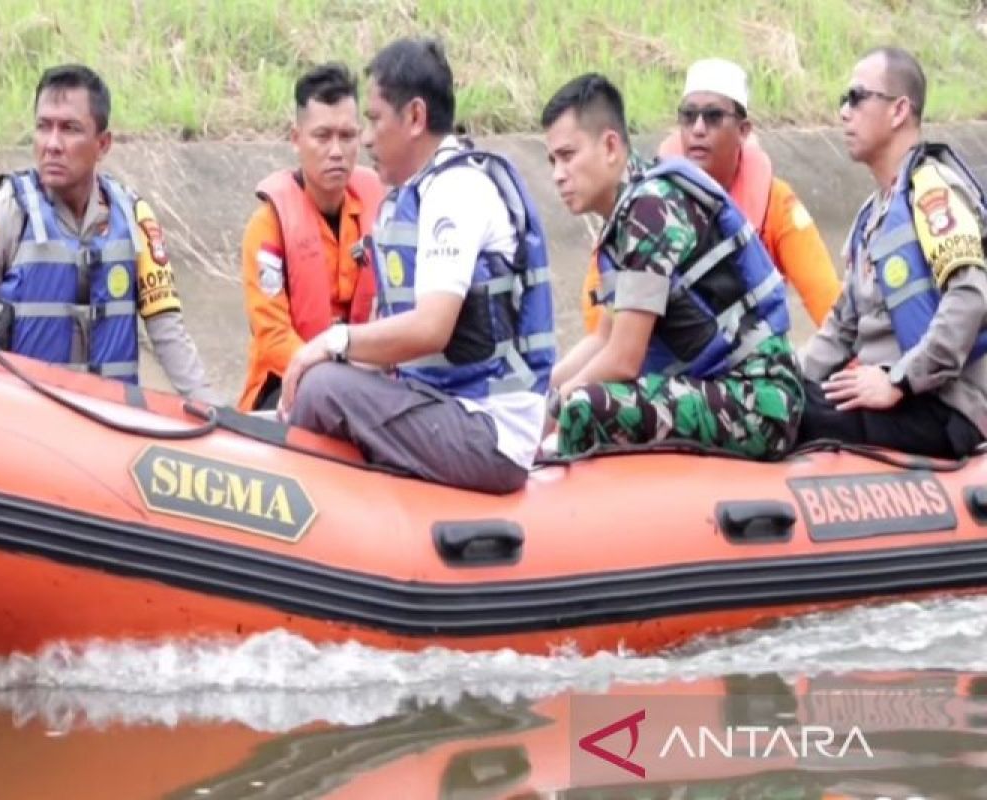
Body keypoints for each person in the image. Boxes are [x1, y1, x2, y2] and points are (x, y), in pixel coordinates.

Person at [278, 38, 556, 494]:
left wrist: (332, 342)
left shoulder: (457, 191)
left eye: (372, 120)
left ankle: (305, 525)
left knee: (323, 388)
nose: (365, 138)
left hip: (488, 431)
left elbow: (431, 329)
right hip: (444, 404)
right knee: (319, 382)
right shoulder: (411, 196)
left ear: (414, 118)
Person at [542, 73, 803, 459]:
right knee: (570, 397)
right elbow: (603, 339)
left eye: (567, 156)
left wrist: (550, 412)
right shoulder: (630, 212)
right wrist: (538, 392)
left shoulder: (651, 211)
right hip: (718, 389)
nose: (557, 174)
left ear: (611, 146)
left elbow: (624, 360)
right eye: (551, 161)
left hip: (758, 404)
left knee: (586, 405)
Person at [0, 64, 218, 403]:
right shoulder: (6, 214)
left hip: (108, 420)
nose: (52, 144)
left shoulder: (134, 218)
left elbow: (167, 329)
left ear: (102, 144)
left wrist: (217, 414)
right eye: (43, 127)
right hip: (26, 422)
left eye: (70, 129)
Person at [798, 47, 987, 459]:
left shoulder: (933, 193)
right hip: (889, 397)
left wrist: (899, 381)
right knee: (777, 406)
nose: (844, 113)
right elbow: (840, 329)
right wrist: (781, 381)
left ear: (899, 110)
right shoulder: (872, 217)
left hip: (940, 404)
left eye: (856, 97)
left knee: (794, 420)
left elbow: (971, 296)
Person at [580, 58, 839, 334]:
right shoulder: (641, 204)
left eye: (713, 116)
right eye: (689, 117)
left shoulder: (776, 203)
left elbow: (829, 303)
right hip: (664, 367)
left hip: (752, 365)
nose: (698, 129)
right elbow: (598, 313)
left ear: (743, 131)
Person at [238, 63, 385, 412]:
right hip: (286, 385)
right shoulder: (267, 228)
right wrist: (335, 374)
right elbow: (273, 337)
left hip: (367, 377)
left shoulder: (383, 212)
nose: (336, 151)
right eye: (322, 136)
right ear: (296, 138)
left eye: (347, 136)